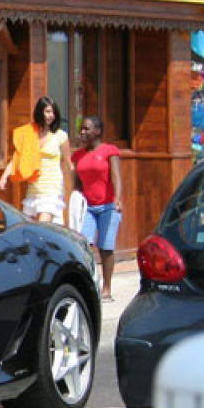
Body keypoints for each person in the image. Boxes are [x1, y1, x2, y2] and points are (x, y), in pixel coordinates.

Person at [71, 116, 123, 301]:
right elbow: (77, 183)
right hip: (89, 208)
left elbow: (116, 177)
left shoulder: (110, 151)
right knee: (83, 245)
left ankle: (107, 288)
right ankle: (88, 283)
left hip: (108, 206)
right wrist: (75, 202)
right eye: (82, 129)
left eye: (86, 129)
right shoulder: (78, 156)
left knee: (105, 247)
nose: (82, 132)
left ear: (98, 131)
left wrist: (117, 198)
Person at [0, 96, 73, 223]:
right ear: (40, 112)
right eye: (48, 111)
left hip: (52, 187)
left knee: (43, 224)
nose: (51, 116)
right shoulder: (29, 133)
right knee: (33, 227)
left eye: (53, 112)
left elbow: (68, 163)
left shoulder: (60, 136)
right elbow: (17, 158)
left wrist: (72, 188)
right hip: (34, 185)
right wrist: (4, 177)